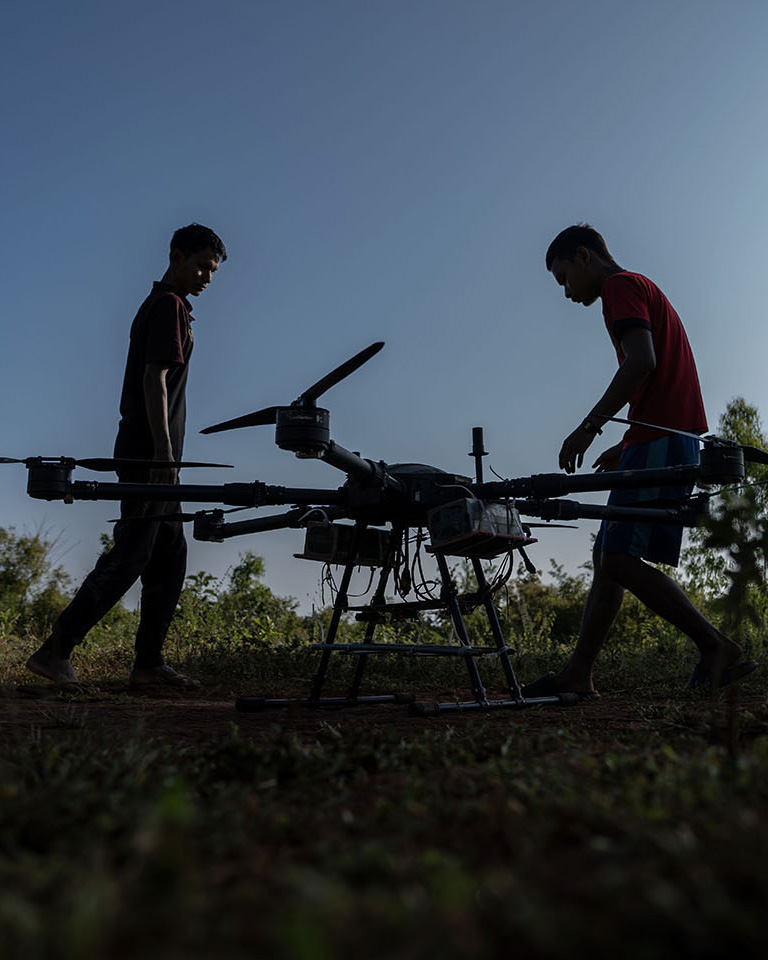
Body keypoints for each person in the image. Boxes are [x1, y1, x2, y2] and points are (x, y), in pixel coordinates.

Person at [522, 223, 757, 698]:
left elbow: (641, 361)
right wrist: (625, 443)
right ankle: (578, 673)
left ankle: (716, 648)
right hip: (654, 437)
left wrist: (589, 426)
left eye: (564, 277)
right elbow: (652, 380)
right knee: (607, 557)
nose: (567, 293)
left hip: (665, 441)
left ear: (584, 257)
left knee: (621, 560)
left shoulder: (620, 287)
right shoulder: (637, 287)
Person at [26, 223, 227, 689]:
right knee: (133, 553)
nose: (207, 277)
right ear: (176, 255)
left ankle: (148, 665)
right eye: (201, 266)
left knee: (170, 554)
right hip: (148, 453)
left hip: (158, 454)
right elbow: (154, 379)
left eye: (213, 271)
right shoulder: (168, 306)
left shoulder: (172, 307)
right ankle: (54, 652)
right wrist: (162, 452)